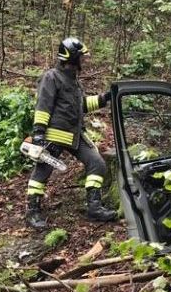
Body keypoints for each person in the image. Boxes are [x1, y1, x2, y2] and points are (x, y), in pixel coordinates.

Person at [26, 37, 118, 230]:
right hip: (54, 135)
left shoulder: (73, 80)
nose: (84, 61)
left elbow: (81, 106)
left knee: (97, 164)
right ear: (73, 58)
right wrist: (39, 135)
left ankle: (94, 207)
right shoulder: (51, 77)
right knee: (41, 173)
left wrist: (104, 98)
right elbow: (43, 106)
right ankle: (32, 212)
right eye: (81, 57)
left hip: (75, 134)